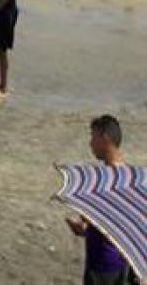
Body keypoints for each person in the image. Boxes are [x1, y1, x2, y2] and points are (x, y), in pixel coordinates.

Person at [65, 115, 133, 285]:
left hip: (101, 267)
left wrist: (83, 229)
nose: (90, 143)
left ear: (105, 139)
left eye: (93, 136)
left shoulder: (103, 182)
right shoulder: (131, 178)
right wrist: (86, 230)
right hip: (123, 265)